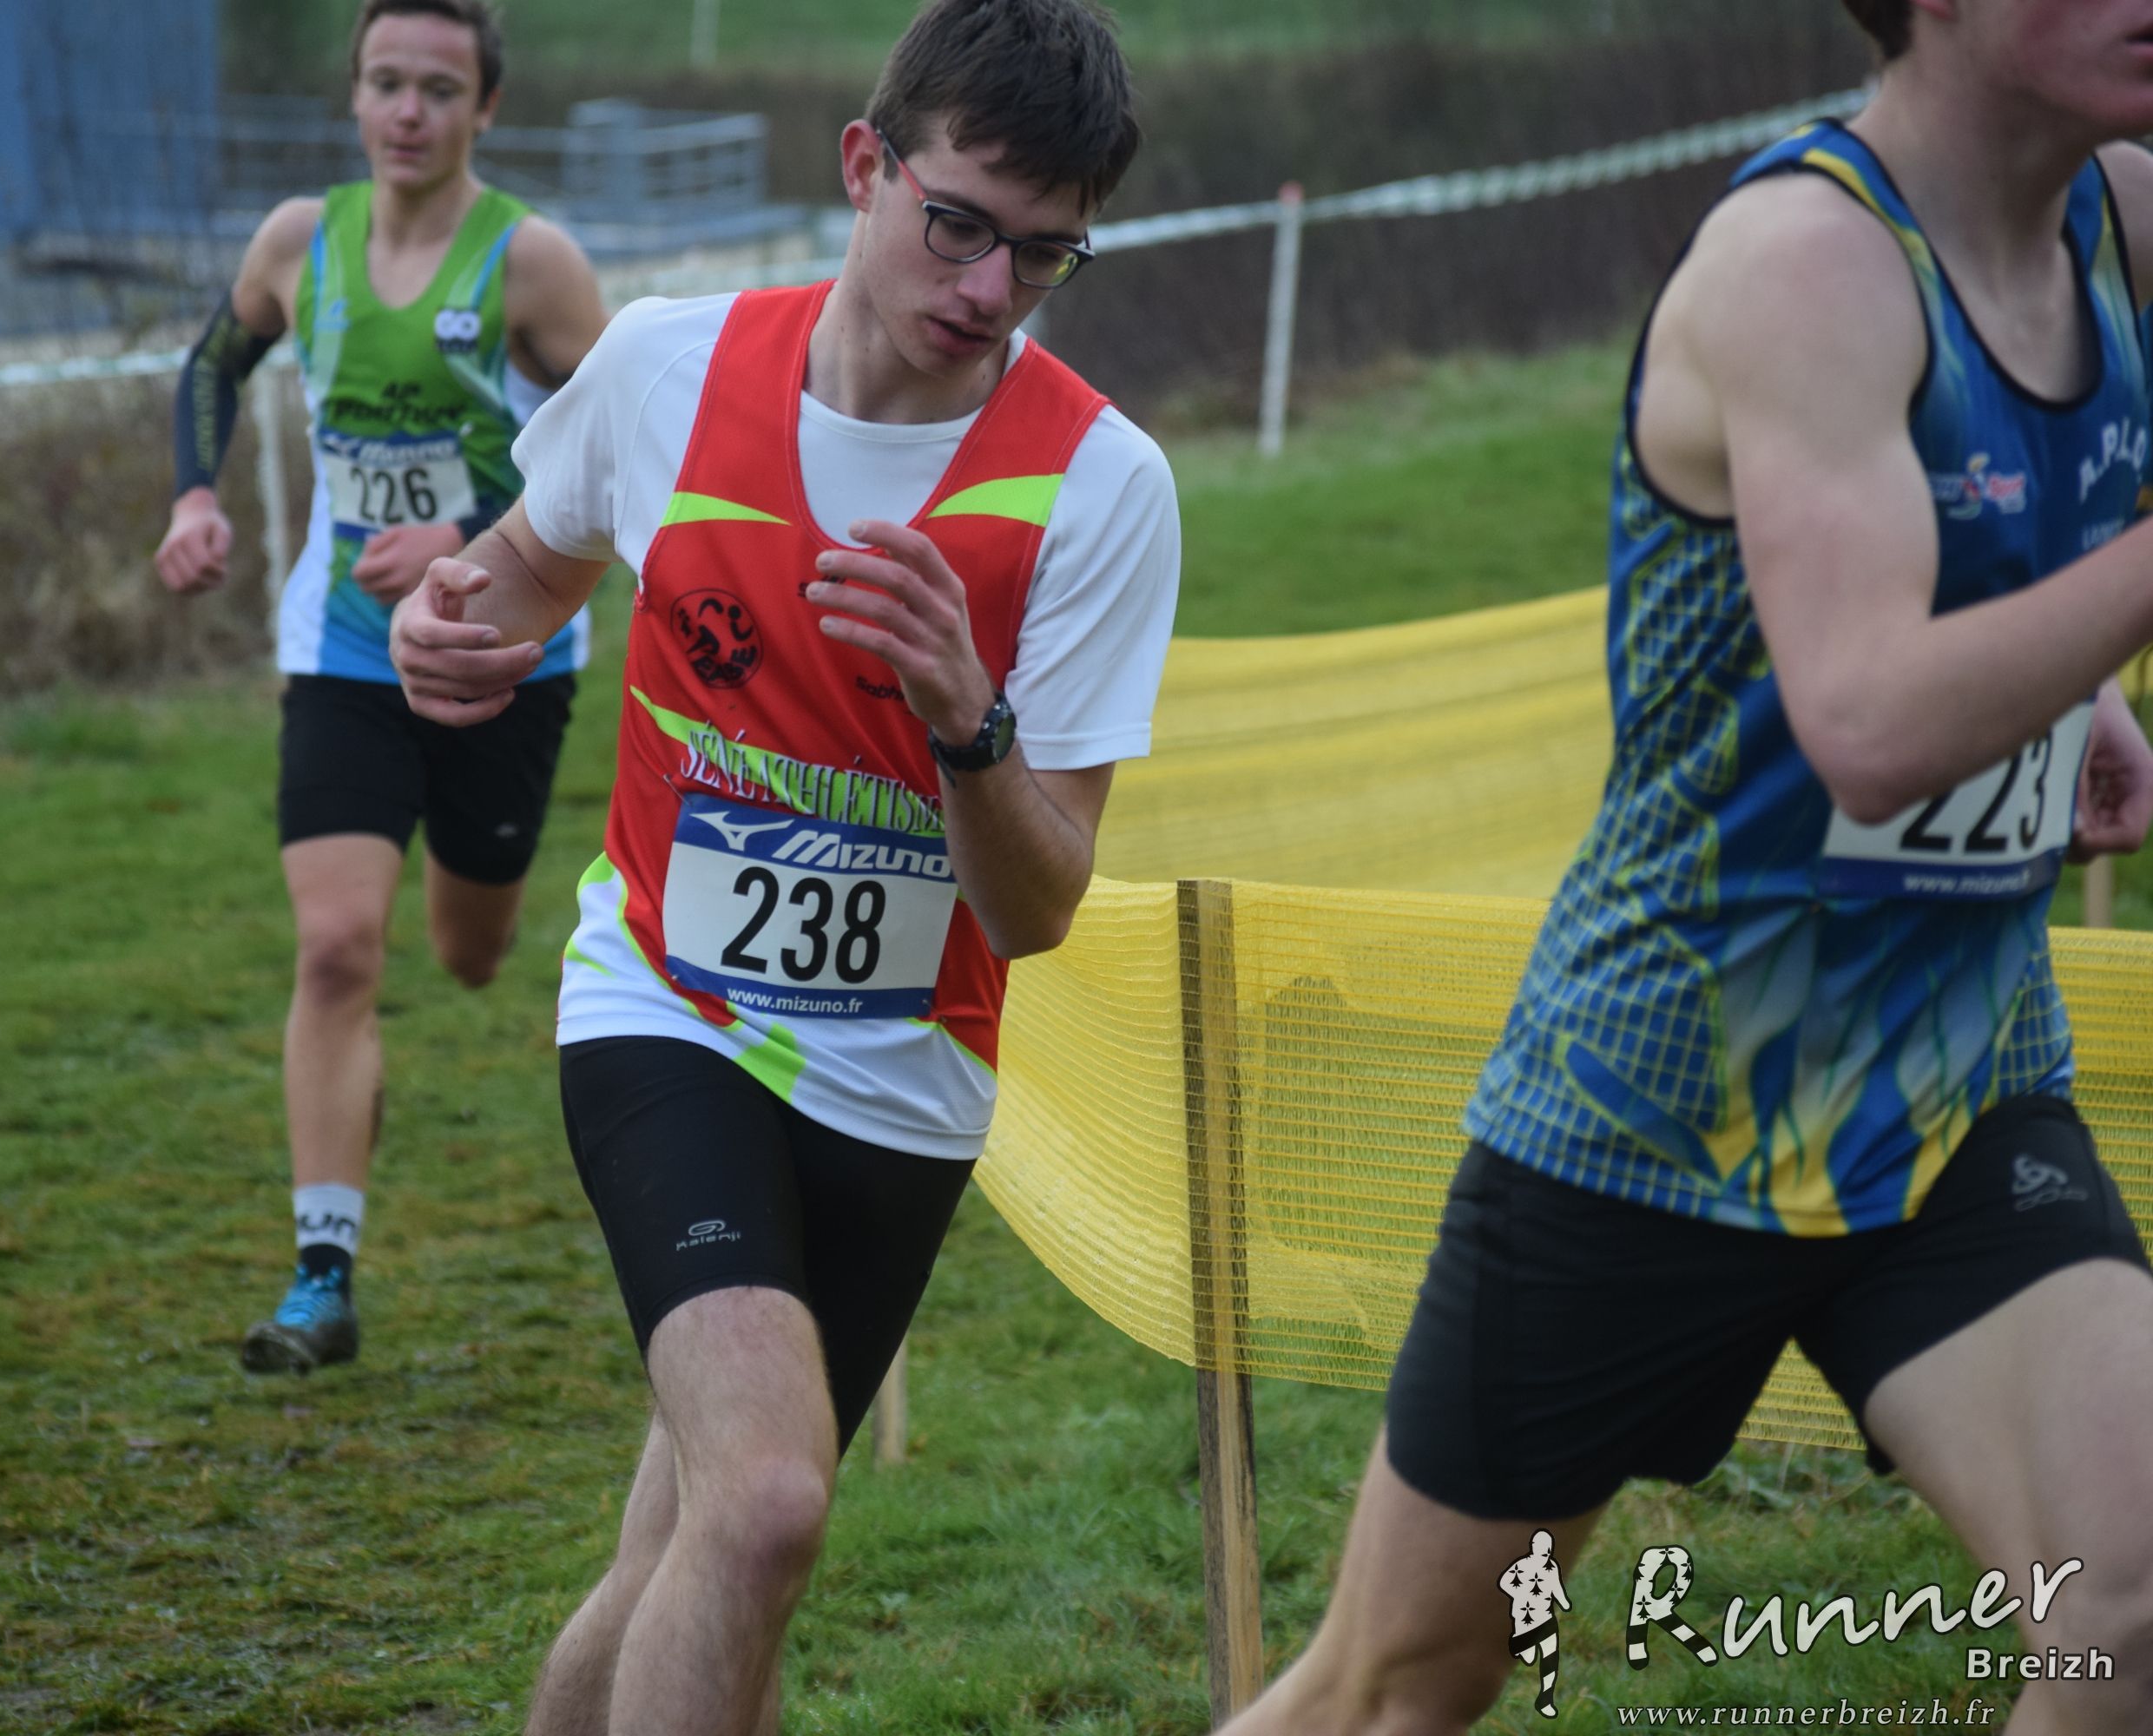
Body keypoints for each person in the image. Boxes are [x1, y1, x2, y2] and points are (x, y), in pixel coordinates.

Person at [1222, 2, 2153, 1731]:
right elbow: (1864, 716)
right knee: (1399, 1687)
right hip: (1656, 1116)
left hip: (1952, 1093)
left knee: (2130, 1609)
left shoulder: (2117, 218)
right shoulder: (1804, 264)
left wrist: (2070, 688)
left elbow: (1992, 515)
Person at [391, 3, 1179, 1726]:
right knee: (762, 1500)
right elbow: (520, 570)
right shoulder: (667, 367)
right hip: (666, 1008)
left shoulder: (1101, 486)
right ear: (864, 167)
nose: (989, 288)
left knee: (686, 1554)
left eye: (1044, 255)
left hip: (903, 1079)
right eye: (957, 224)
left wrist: (966, 719)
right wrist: (445, 634)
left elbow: (1036, 910)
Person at [151, 0, 607, 1375]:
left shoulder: (533, 263)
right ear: (353, 95)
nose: (409, 111)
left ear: (486, 108)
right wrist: (194, 496)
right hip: (345, 645)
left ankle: (376, 1075)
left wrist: (471, 533)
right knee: (339, 946)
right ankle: (322, 1276)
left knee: (469, 953)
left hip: (498, 651)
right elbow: (213, 361)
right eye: (386, 83)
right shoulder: (299, 244)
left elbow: (625, 447)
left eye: (440, 89)